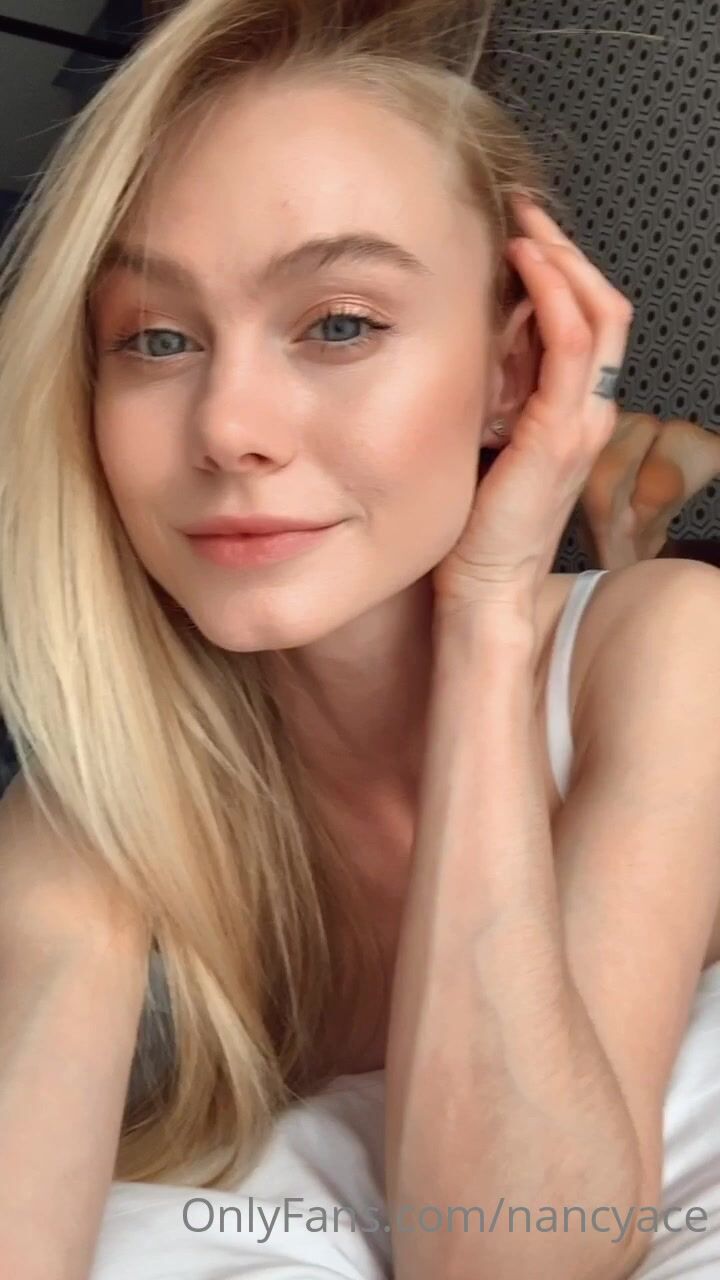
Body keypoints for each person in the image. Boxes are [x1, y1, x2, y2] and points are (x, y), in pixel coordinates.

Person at [1, 2, 720, 1277]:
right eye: (156, 338)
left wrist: (490, 609)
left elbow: (511, 1254)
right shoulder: (91, 803)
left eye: (339, 323)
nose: (230, 427)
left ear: (517, 371)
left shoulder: (664, 645)